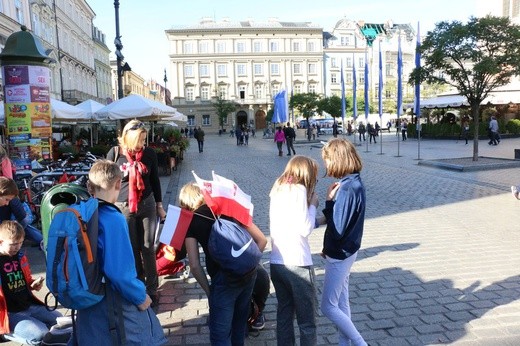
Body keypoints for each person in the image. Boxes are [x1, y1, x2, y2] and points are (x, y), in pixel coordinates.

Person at [71, 160, 166, 345]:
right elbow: (119, 271)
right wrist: (140, 296)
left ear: (90, 186)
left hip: (85, 291)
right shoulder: (112, 217)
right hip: (108, 297)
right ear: (117, 184)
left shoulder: (82, 211)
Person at [179, 183, 267, 345]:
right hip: (248, 275)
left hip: (223, 281)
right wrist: (248, 264)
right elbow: (262, 240)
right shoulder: (227, 207)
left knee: (220, 337)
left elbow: (195, 265)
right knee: (239, 328)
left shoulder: (191, 222)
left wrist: (209, 291)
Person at [106, 120, 166, 308]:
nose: (143, 143)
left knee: (148, 247)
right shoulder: (115, 153)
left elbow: (155, 180)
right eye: (140, 139)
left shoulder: (148, 154)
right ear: (130, 137)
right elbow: (106, 182)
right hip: (123, 206)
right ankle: (138, 287)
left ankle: (152, 289)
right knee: (132, 249)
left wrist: (159, 205)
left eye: (144, 139)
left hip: (146, 203)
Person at [320, 138, 367, 346]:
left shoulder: (346, 188)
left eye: (328, 160)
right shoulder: (354, 181)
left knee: (328, 306)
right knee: (341, 301)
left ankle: (359, 343)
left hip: (340, 253)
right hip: (347, 250)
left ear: (338, 159)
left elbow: (337, 228)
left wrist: (329, 202)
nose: (326, 165)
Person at [269, 155, 319, 346]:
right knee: (307, 321)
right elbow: (304, 228)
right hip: (298, 263)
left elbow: (292, 221)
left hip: (277, 262)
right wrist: (313, 205)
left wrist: (319, 219)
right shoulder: (299, 190)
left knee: (284, 315)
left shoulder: (278, 189)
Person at [0, 220, 63, 344]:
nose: (17, 247)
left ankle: (27, 326)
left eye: (20, 243)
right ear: (1, 242)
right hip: (9, 312)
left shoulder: (20, 256)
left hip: (29, 305)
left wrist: (32, 284)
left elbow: (26, 280)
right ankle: (6, 333)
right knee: (41, 334)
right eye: (13, 244)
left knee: (61, 321)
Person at [0, 177, 43, 246]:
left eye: (8, 200)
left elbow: (24, 220)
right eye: (6, 200)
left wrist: (14, 236)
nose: (7, 203)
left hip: (19, 216)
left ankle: (41, 240)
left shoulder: (12, 200)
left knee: (17, 228)